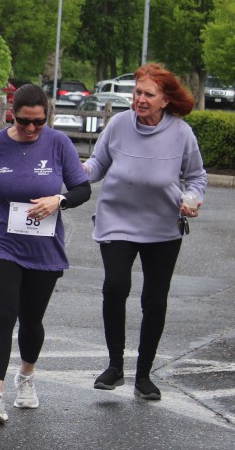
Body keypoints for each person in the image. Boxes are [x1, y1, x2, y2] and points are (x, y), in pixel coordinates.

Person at [0, 84, 90, 424]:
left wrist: (58, 200)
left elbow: (82, 189)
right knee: (4, 315)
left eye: (38, 122)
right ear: (11, 115)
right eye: (24, 121)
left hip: (43, 247)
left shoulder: (58, 144)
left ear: (47, 117)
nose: (31, 128)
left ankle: (27, 376)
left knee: (31, 320)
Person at [83, 63, 207, 401]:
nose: (139, 99)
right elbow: (98, 163)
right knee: (115, 286)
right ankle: (114, 367)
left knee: (154, 299)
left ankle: (144, 375)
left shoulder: (181, 133)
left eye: (148, 94)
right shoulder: (118, 124)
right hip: (117, 219)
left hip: (162, 226)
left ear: (165, 100)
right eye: (137, 92)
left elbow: (196, 177)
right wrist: (79, 171)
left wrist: (192, 199)